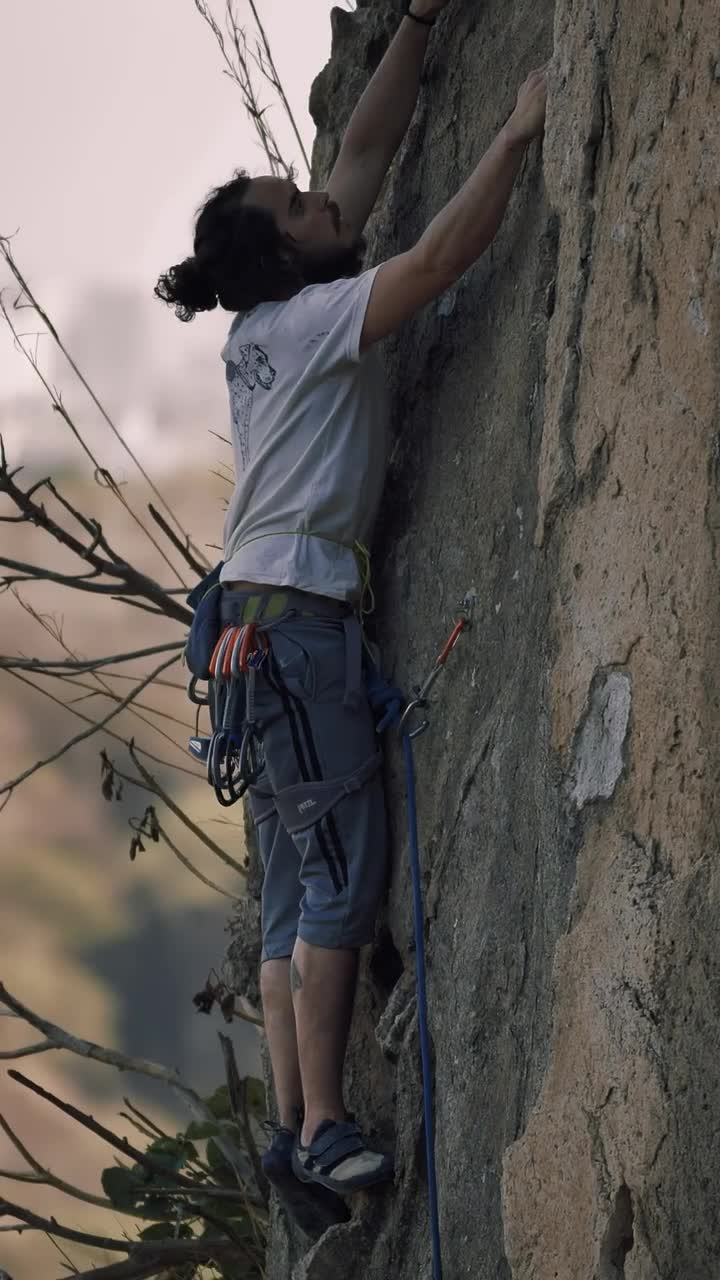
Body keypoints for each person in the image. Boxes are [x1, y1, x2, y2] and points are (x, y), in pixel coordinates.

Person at [156, 0, 547, 1235]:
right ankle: (326, 1124)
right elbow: (429, 265)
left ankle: (290, 1127)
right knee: (340, 871)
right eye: (303, 206)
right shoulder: (318, 317)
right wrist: (517, 134)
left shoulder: (258, 332)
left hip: (247, 629)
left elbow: (364, 154)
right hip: (299, 629)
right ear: (289, 255)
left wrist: (418, 24)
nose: (326, 200)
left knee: (291, 885)